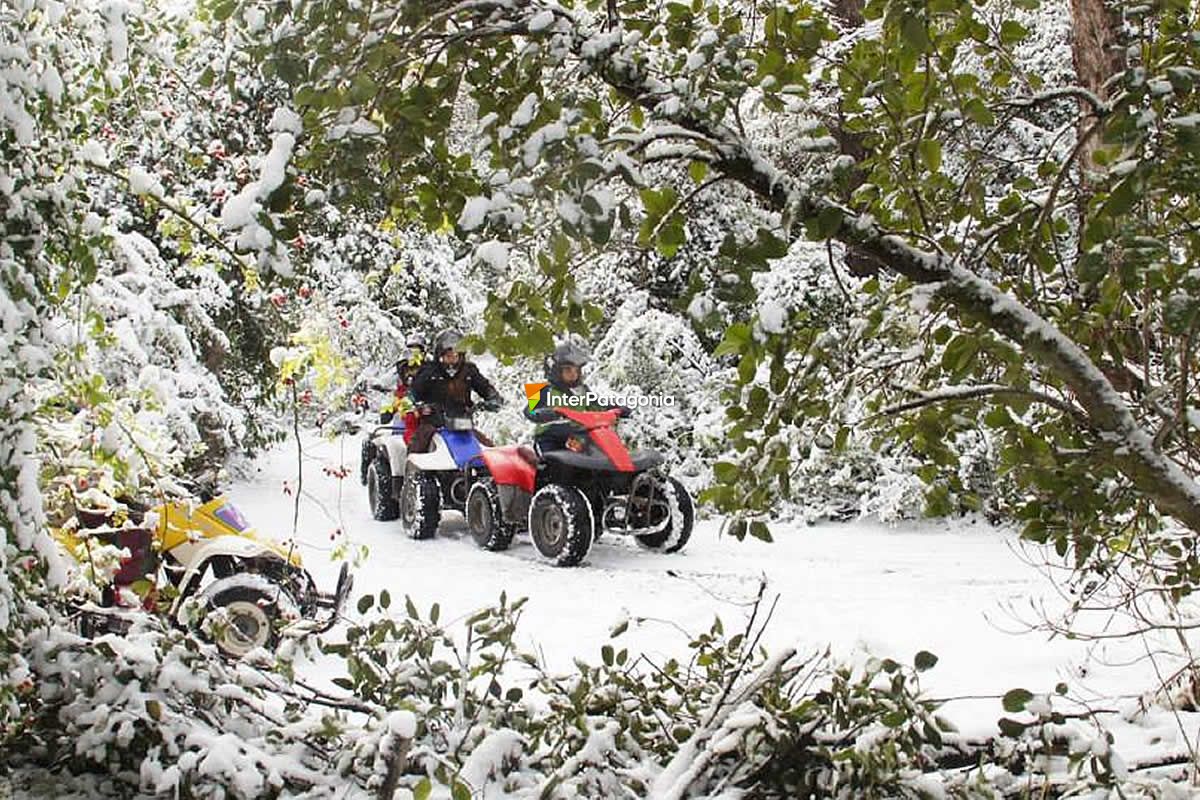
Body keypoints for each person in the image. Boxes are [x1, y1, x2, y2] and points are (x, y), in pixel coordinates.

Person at [408, 329, 504, 453]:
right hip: (433, 424)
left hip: (463, 424)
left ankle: (488, 470)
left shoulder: (469, 371)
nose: (452, 360)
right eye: (448, 356)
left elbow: (486, 388)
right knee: (417, 447)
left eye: (455, 356)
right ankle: (412, 472)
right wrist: (419, 406)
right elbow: (412, 393)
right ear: (440, 356)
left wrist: (493, 399)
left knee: (490, 449)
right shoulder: (428, 371)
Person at [525, 341, 630, 454]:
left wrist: (617, 408)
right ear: (555, 370)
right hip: (549, 439)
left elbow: (596, 405)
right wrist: (545, 413)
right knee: (550, 462)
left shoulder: (582, 389)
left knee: (597, 453)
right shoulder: (543, 389)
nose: (573, 374)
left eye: (576, 370)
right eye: (568, 370)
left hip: (577, 436)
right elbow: (528, 411)